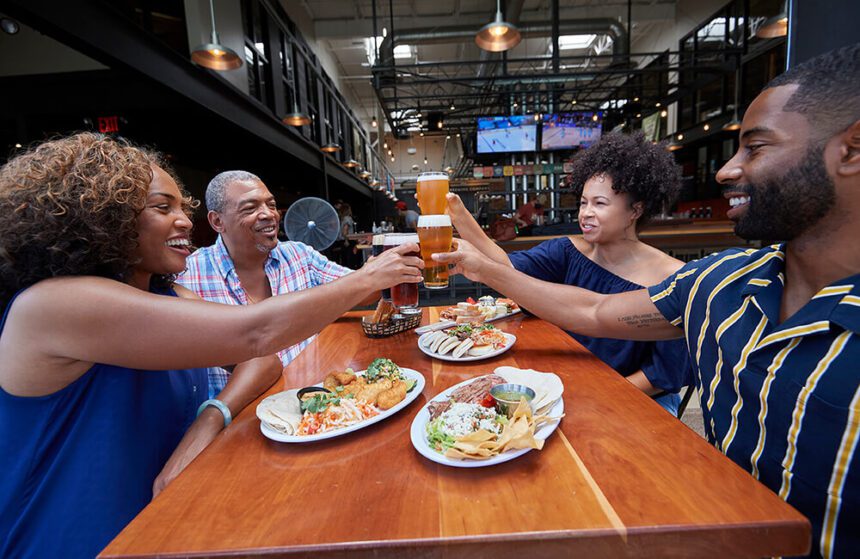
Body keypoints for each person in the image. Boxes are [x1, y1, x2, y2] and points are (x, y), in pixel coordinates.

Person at [434, 43, 860, 558]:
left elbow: (660, 376)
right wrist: (476, 262)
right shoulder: (716, 282)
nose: (726, 171)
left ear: (851, 150)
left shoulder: (686, 274)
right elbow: (589, 311)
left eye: (757, 147)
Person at [0, 133, 422, 559]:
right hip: (72, 539)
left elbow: (262, 359)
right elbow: (255, 333)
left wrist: (208, 420)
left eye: (183, 208)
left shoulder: (168, 294)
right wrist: (370, 277)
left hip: (172, 520)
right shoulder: (55, 305)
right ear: (99, 216)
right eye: (163, 208)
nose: (185, 221)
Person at [445, 132, 693, 415]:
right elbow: (507, 271)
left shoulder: (673, 277)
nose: (585, 213)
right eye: (583, 202)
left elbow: (662, 374)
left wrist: (594, 399)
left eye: (599, 204)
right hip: (571, 384)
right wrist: (458, 214)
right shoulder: (567, 251)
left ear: (635, 210)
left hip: (637, 396)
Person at [177, 172, 376, 396]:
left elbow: (362, 292)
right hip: (241, 418)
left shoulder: (298, 254)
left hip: (314, 402)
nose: (268, 214)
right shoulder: (187, 276)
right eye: (250, 208)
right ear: (217, 221)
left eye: (271, 205)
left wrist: (376, 274)